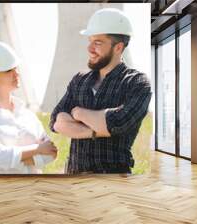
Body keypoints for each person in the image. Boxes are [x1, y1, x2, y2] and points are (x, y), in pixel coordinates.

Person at [50, 8, 152, 174]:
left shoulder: (137, 82)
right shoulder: (79, 80)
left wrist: (78, 113)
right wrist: (97, 130)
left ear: (118, 47)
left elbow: (118, 122)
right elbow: (56, 121)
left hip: (114, 183)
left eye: (97, 43)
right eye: (90, 41)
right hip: (74, 179)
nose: (89, 48)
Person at [0, 41, 58, 174]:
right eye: (9, 70)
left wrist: (9, 159)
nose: (16, 74)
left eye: (15, 68)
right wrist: (38, 149)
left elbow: (51, 152)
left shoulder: (28, 115)